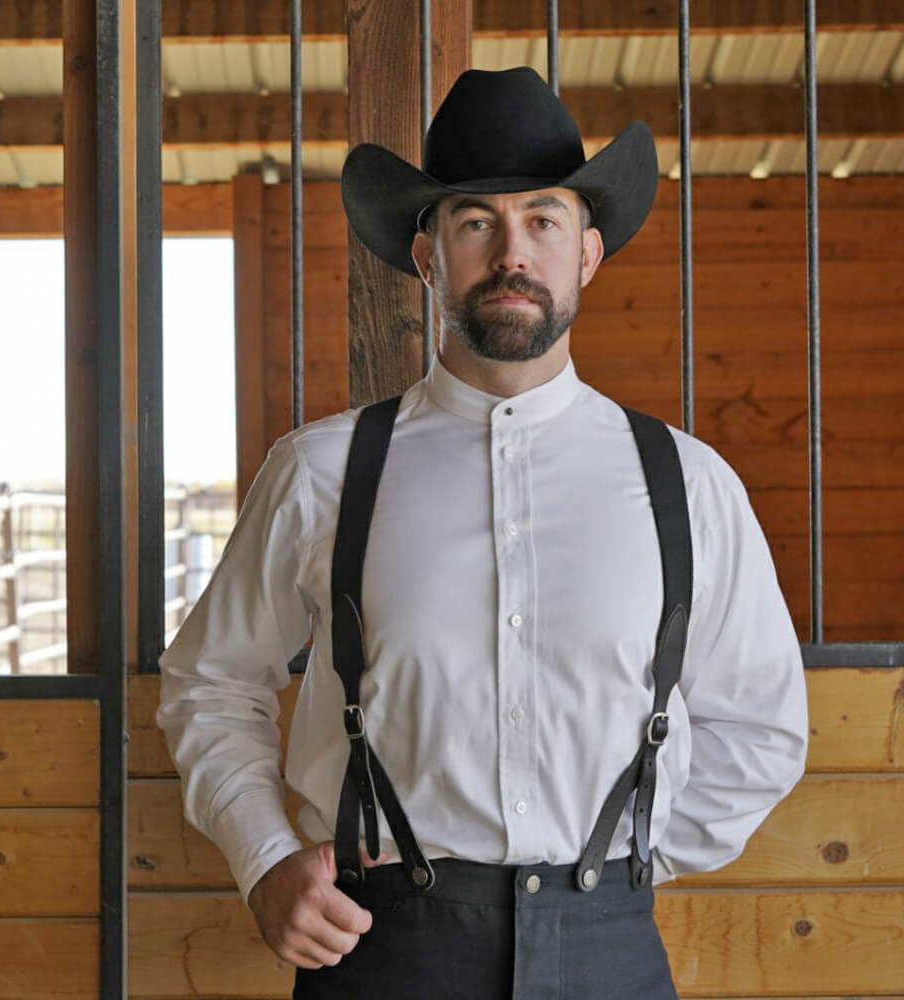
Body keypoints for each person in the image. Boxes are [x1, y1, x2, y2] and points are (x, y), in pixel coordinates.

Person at [156, 67, 809, 999]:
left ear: (587, 252)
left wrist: (617, 871)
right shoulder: (320, 472)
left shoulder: (689, 485)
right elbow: (211, 682)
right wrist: (264, 857)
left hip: (608, 944)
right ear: (428, 257)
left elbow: (761, 728)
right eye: (476, 222)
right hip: (381, 947)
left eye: (543, 219)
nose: (513, 252)